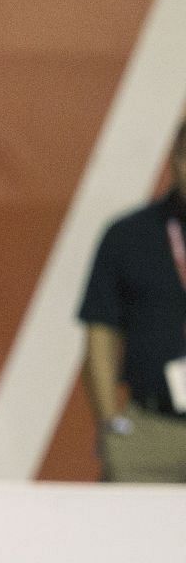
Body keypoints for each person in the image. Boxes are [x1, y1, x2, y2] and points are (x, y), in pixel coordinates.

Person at [80, 119, 186, 482]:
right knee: (128, 536)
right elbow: (100, 334)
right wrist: (111, 424)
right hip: (152, 431)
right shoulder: (130, 236)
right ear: (174, 159)